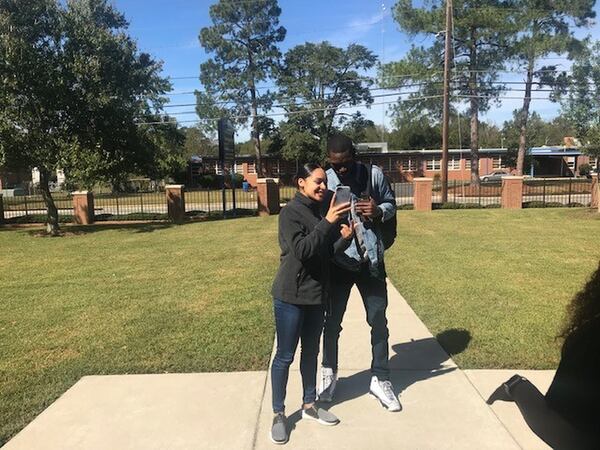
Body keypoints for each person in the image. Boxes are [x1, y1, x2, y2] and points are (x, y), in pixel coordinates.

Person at [270, 162, 354, 445]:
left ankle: (309, 405)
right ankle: (279, 413)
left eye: (324, 182)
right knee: (285, 356)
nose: (323, 186)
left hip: (317, 295)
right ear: (300, 183)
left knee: (310, 354)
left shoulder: (321, 210)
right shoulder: (290, 213)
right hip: (291, 295)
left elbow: (324, 253)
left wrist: (343, 239)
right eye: (317, 181)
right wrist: (329, 221)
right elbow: (303, 250)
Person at [319, 133, 401, 412]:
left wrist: (378, 210)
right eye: (334, 163)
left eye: (344, 163)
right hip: (339, 264)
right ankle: (329, 373)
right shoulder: (326, 180)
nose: (340, 169)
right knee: (331, 323)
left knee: (378, 320)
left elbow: (392, 204)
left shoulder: (373, 175)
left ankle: (381, 377)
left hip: (371, 264)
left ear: (353, 155)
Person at [487, 261, 600, 449]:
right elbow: (558, 426)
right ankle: (515, 385)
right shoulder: (592, 340)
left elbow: (559, 428)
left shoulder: (591, 339)